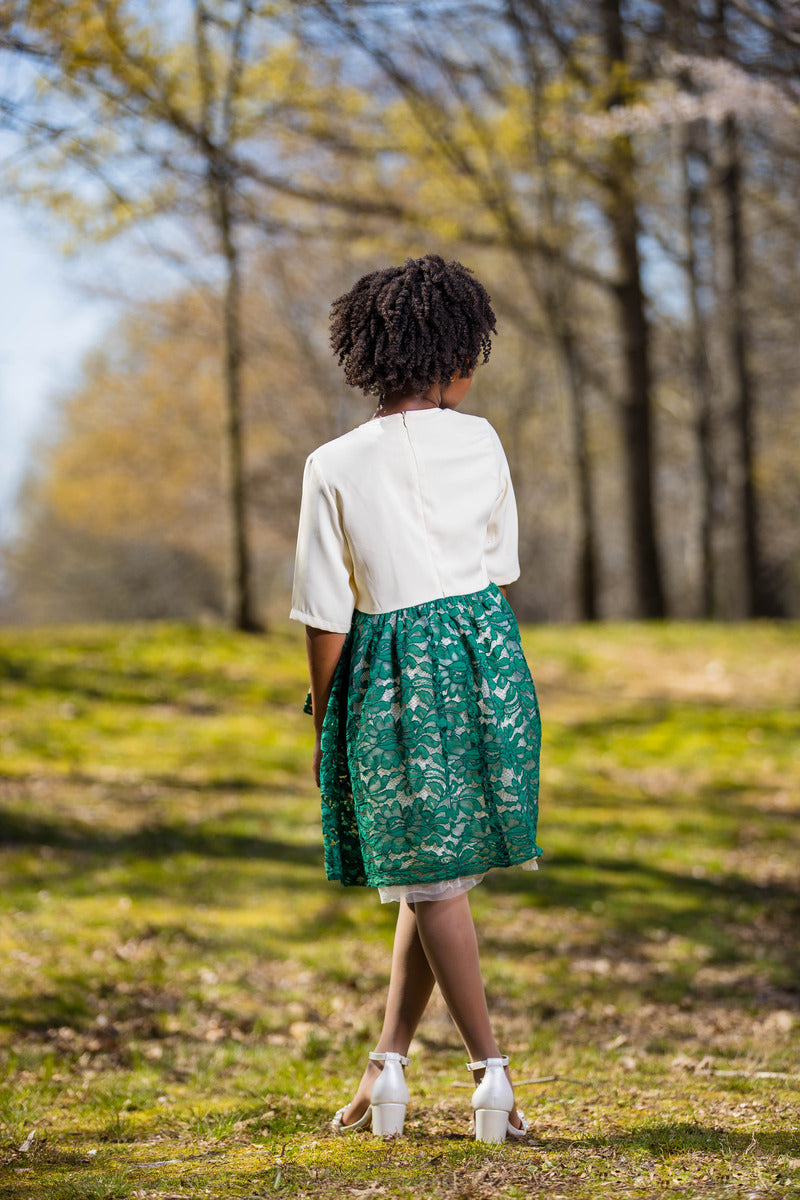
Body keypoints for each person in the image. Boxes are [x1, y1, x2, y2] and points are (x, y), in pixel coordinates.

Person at [289, 254, 542, 1143]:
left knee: (432, 876)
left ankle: (489, 1073)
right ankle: (388, 1064)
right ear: (454, 353)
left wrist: (325, 716)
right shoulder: (483, 440)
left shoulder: (332, 464)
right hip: (487, 658)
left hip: (389, 664)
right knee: (433, 874)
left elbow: (325, 613)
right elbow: (500, 564)